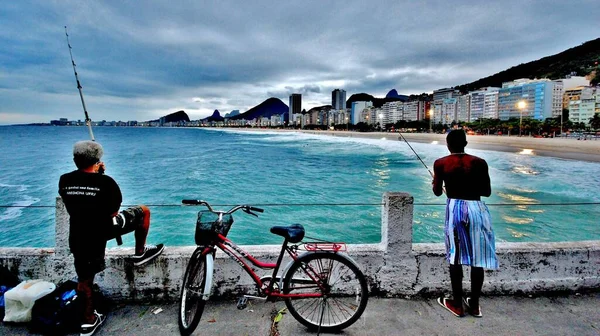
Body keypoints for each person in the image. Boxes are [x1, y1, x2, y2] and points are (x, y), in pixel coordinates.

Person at [59, 141, 164, 336]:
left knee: (85, 280)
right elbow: (113, 212)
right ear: (97, 161)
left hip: (80, 234)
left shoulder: (64, 180)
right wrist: (101, 176)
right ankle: (140, 252)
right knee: (144, 211)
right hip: (104, 229)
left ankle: (88, 320)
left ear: (75, 160)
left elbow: (75, 202)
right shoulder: (106, 183)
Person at [432, 129, 498, 318]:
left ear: (447, 144)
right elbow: (486, 192)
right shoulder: (479, 163)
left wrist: (439, 184)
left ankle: (457, 304)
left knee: (456, 256)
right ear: (465, 144)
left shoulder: (441, 163)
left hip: (455, 209)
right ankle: (475, 305)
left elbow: (437, 192)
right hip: (477, 209)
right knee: (478, 259)